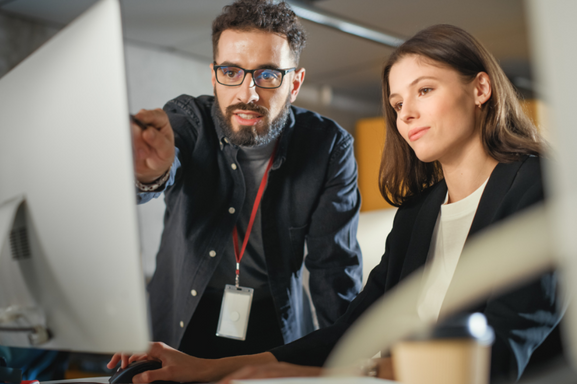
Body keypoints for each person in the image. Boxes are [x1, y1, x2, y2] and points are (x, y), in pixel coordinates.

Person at [108, 24, 561, 383]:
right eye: (397, 101)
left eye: (424, 91)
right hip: (185, 325)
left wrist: (328, 373)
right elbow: (356, 329)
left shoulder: (544, 187)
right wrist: (206, 368)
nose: (406, 114)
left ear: (481, 89)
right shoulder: (419, 213)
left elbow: (500, 355)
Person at [129, 0, 363, 359]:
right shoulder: (187, 119)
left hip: (275, 323)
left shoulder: (328, 147)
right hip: (182, 319)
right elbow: (164, 165)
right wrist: (149, 173)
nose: (247, 94)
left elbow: (334, 268)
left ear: (295, 84)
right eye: (232, 72)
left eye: (268, 75)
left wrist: (352, 360)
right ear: (214, 75)